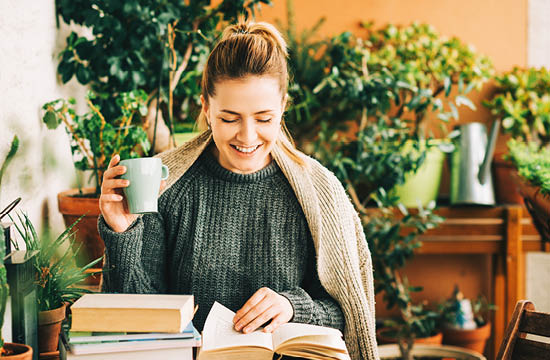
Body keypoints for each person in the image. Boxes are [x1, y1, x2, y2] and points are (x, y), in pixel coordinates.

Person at [98, 20, 378, 360]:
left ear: (283, 107)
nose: (247, 137)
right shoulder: (167, 187)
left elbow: (348, 315)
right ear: (206, 107)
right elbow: (139, 319)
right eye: (230, 118)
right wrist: (121, 230)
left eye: (263, 119)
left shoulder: (319, 194)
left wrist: (293, 306)